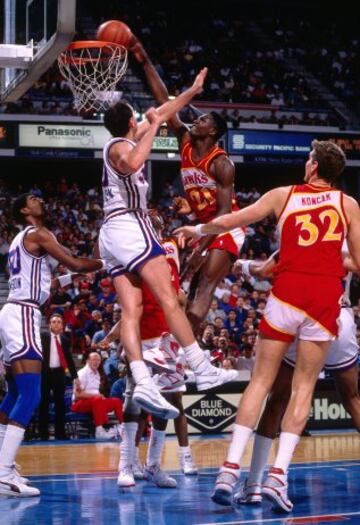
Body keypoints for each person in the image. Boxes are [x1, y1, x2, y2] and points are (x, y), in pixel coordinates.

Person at [175, 140, 360, 511]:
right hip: (325, 301)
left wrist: (197, 230)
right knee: (304, 389)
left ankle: (230, 471)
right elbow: (357, 259)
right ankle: (278, 476)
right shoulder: (348, 204)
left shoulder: (283, 195)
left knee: (261, 384)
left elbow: (233, 220)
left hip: (286, 295)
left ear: (312, 167)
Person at [98, 63, 237, 422]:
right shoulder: (120, 146)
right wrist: (156, 125)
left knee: (133, 310)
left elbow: (163, 109)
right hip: (129, 224)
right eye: (138, 119)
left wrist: (191, 91)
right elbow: (132, 161)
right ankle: (199, 365)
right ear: (131, 122)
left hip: (112, 234)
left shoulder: (127, 136)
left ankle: (142, 379)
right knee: (169, 297)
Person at [131, 39, 245, 337]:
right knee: (191, 288)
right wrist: (144, 61)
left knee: (206, 282)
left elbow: (223, 213)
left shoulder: (222, 164)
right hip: (205, 226)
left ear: (214, 131)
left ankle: (185, 353)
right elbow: (166, 103)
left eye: (203, 120)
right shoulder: (185, 142)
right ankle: (185, 346)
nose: (196, 120)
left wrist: (201, 248)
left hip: (225, 227)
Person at [234, 244, 360, 508]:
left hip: (301, 313)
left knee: (278, 399)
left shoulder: (297, 233)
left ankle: (254, 484)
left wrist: (244, 266)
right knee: (352, 398)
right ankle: (267, 480)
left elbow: (264, 270)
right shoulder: (344, 238)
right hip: (339, 314)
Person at [0, 193, 103, 497]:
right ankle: (4, 472)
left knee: (16, 393)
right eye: (32, 198)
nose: (40, 200)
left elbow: (52, 284)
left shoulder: (22, 241)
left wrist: (83, 270)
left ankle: (3, 465)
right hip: (24, 314)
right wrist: (104, 262)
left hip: (12, 312)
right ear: (23, 209)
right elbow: (75, 263)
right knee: (31, 393)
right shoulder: (39, 233)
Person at [117, 210, 197, 488]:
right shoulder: (129, 251)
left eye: (159, 218)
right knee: (133, 401)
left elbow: (179, 292)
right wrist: (123, 337)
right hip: (141, 333)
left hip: (167, 336)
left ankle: (153, 465)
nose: (155, 219)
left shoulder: (171, 248)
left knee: (165, 402)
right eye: (148, 217)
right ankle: (126, 464)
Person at [39, 313, 78, 441]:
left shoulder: (65, 339)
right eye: (54, 321)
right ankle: (43, 434)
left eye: (59, 322)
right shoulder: (42, 336)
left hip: (59, 373)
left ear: (62, 325)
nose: (56, 324)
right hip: (44, 374)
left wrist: (75, 376)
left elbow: (69, 359)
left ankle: (60, 433)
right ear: (49, 324)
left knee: (60, 403)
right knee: (44, 403)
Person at [71, 352, 122, 439]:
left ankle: (123, 428)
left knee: (116, 401)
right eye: (94, 360)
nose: (96, 362)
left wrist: (99, 397)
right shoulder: (82, 373)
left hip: (94, 402)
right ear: (88, 361)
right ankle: (99, 431)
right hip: (79, 403)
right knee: (98, 400)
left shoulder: (97, 373)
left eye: (98, 360)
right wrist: (96, 396)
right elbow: (77, 395)